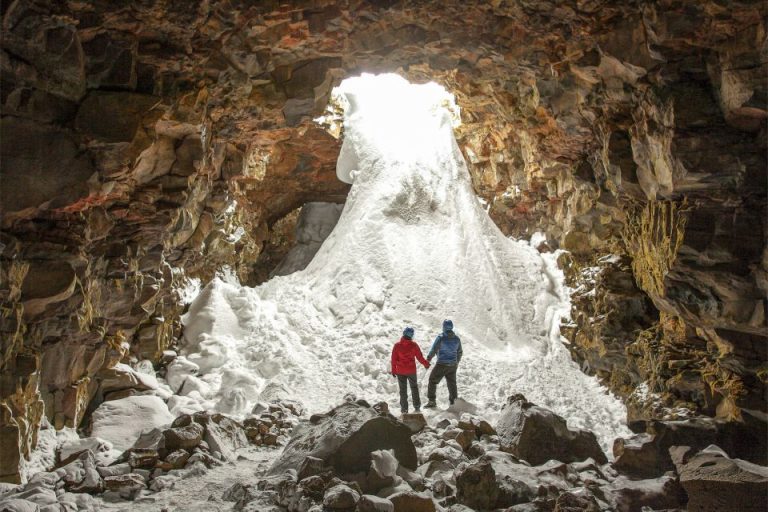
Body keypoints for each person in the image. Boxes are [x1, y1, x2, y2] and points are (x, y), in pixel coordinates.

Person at [391, 326, 430, 414]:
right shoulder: (414, 345)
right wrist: (426, 364)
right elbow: (420, 357)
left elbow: (393, 359)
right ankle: (417, 407)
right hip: (411, 371)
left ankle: (404, 410)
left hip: (400, 371)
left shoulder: (397, 346)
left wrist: (393, 370)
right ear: (412, 335)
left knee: (403, 390)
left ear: (404, 333)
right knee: (414, 388)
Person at [424, 319, 462, 408]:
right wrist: (456, 361)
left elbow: (434, 349)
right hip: (452, 365)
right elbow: (459, 352)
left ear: (444, 327)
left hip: (441, 364)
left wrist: (428, 359)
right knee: (452, 383)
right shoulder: (457, 339)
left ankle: (432, 401)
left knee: (432, 380)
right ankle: (453, 403)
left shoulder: (441, 337)